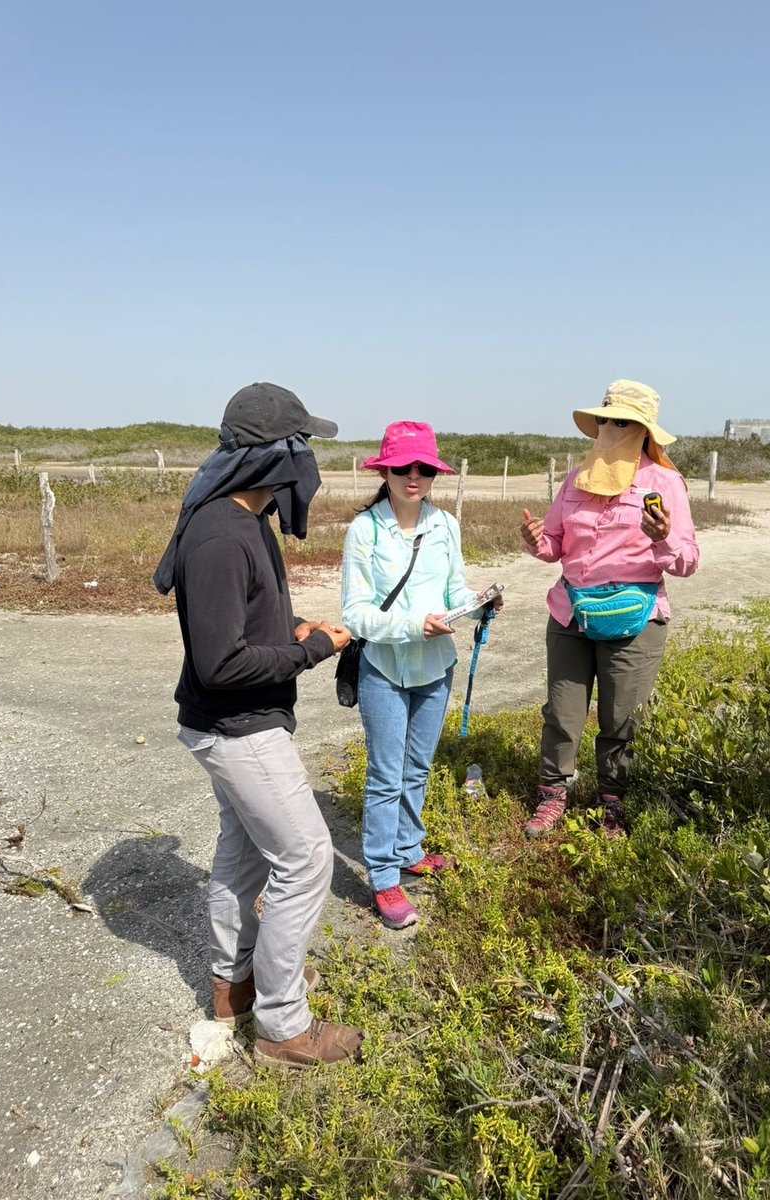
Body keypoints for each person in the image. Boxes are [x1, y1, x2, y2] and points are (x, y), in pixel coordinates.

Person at [153, 381, 364, 1069]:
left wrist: (295, 628)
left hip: (235, 720)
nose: (308, 465)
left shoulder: (247, 521)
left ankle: (233, 987)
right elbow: (219, 665)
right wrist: (310, 651)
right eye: (301, 448)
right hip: (237, 726)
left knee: (242, 851)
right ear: (274, 457)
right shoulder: (220, 535)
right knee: (306, 860)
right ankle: (281, 1023)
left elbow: (242, 628)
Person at [520, 379, 698, 839]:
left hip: (636, 619)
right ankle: (552, 795)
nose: (609, 427)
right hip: (571, 612)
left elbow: (687, 561)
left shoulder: (664, 482)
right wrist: (536, 540)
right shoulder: (576, 477)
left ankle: (612, 803)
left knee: (620, 717)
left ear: (643, 431)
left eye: (621, 421)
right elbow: (556, 545)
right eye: (604, 419)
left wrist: (659, 539)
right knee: (562, 712)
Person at [341, 421, 501, 929]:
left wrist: (478, 606)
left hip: (436, 668)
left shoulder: (446, 525)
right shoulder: (364, 530)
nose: (413, 476)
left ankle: (409, 849)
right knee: (386, 776)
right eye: (403, 467)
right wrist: (416, 624)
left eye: (424, 468)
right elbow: (356, 613)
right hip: (384, 668)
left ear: (434, 472)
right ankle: (384, 878)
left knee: (417, 768)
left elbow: (454, 593)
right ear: (384, 470)